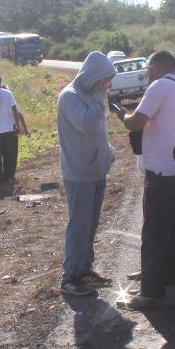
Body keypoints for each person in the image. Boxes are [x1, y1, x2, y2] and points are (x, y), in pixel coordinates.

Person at [123, 50, 175, 309]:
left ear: (154, 69)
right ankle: (170, 272)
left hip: (162, 173)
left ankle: (151, 293)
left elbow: (136, 123)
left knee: (154, 231)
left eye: (148, 70)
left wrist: (124, 115)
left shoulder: (159, 87)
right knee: (172, 227)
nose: (147, 75)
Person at [57, 52, 119, 298]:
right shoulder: (70, 96)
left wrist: (108, 152)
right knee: (79, 226)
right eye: (106, 79)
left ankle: (85, 270)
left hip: (96, 171)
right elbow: (86, 124)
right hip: (79, 174)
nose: (108, 85)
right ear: (94, 77)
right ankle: (70, 277)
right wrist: (98, 98)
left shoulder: (93, 95)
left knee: (90, 225)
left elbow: (99, 129)